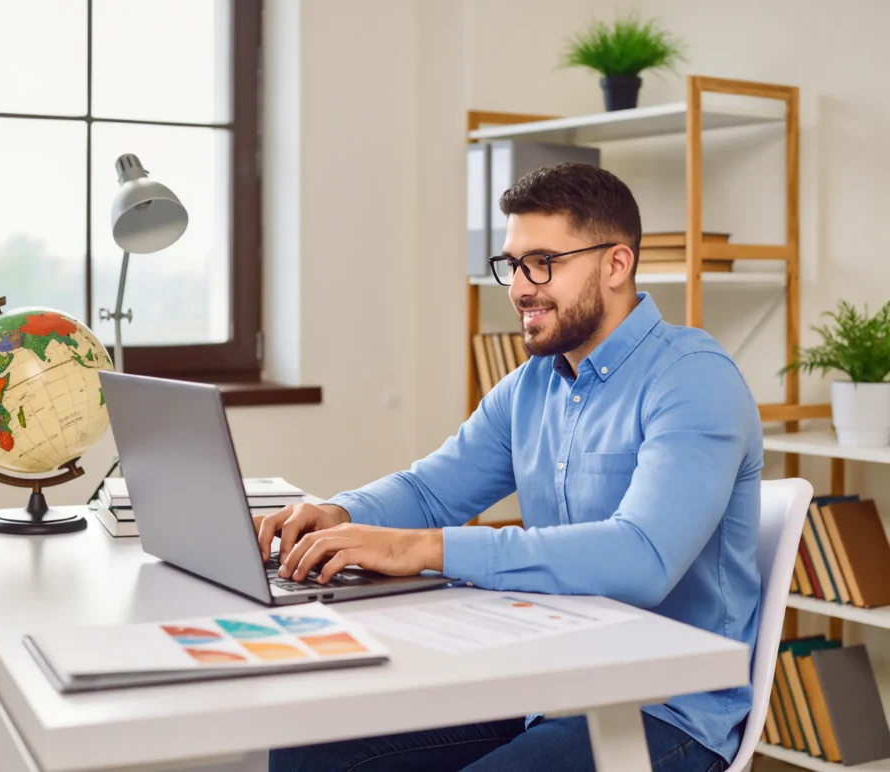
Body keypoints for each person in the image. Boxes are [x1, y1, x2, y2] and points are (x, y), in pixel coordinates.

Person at [257, 162, 762, 772]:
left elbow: (644, 558)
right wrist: (339, 513)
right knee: (309, 746)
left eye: (544, 261)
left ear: (616, 265)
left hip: (662, 713)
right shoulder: (531, 387)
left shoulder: (692, 378)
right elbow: (429, 490)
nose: (522, 286)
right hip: (542, 682)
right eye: (513, 264)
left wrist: (431, 549)